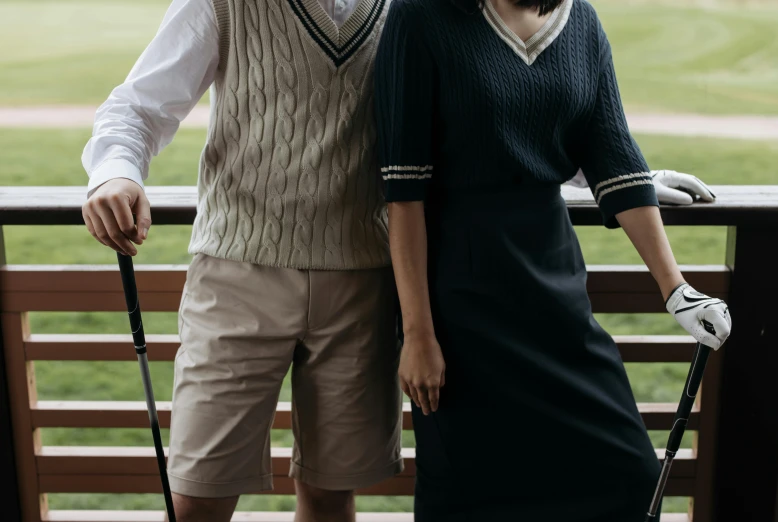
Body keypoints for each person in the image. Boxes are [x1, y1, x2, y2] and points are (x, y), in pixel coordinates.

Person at [80, 0, 716, 521]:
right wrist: (112, 174)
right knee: (198, 499)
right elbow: (137, 107)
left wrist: (619, 180)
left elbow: (487, 117)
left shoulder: (412, 8)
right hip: (239, 273)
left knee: (330, 498)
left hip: (363, 283)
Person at [373, 0, 731, 520]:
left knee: (629, 474)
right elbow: (404, 196)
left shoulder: (580, 21)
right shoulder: (421, 16)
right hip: (458, 303)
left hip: (551, 282)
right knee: (468, 492)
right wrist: (419, 335)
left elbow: (613, 155)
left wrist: (677, 290)